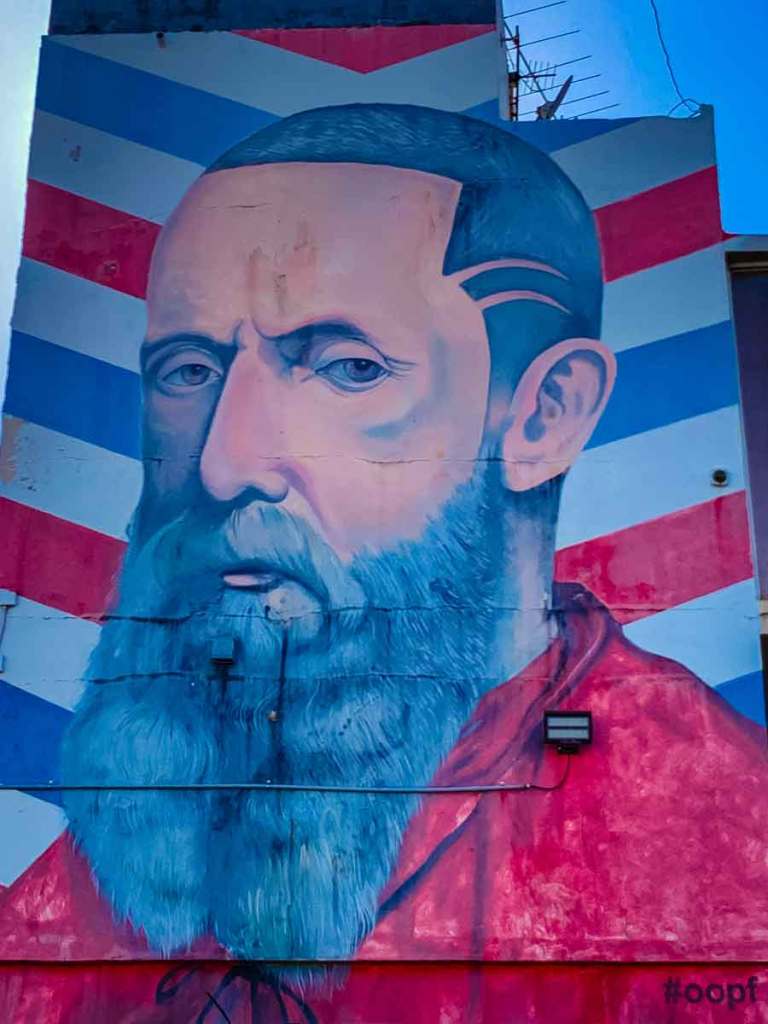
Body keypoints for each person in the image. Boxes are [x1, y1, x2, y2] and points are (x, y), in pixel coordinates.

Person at [1, 104, 766, 1023]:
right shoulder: (119, 823)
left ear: (543, 416)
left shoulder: (706, 830)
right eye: (189, 371)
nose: (225, 462)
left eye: (347, 368)